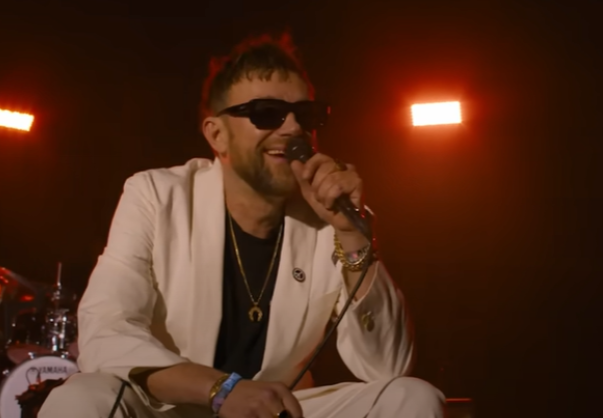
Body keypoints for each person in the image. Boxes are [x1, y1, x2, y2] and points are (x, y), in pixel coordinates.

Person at [40, 33, 445, 418]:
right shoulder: (157, 196)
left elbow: (388, 365)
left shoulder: (329, 220)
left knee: (411, 397)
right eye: (266, 113)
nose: (293, 129)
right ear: (217, 135)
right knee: (82, 396)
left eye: (305, 115)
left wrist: (352, 234)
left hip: (276, 410)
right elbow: (105, 331)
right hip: (169, 407)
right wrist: (223, 390)